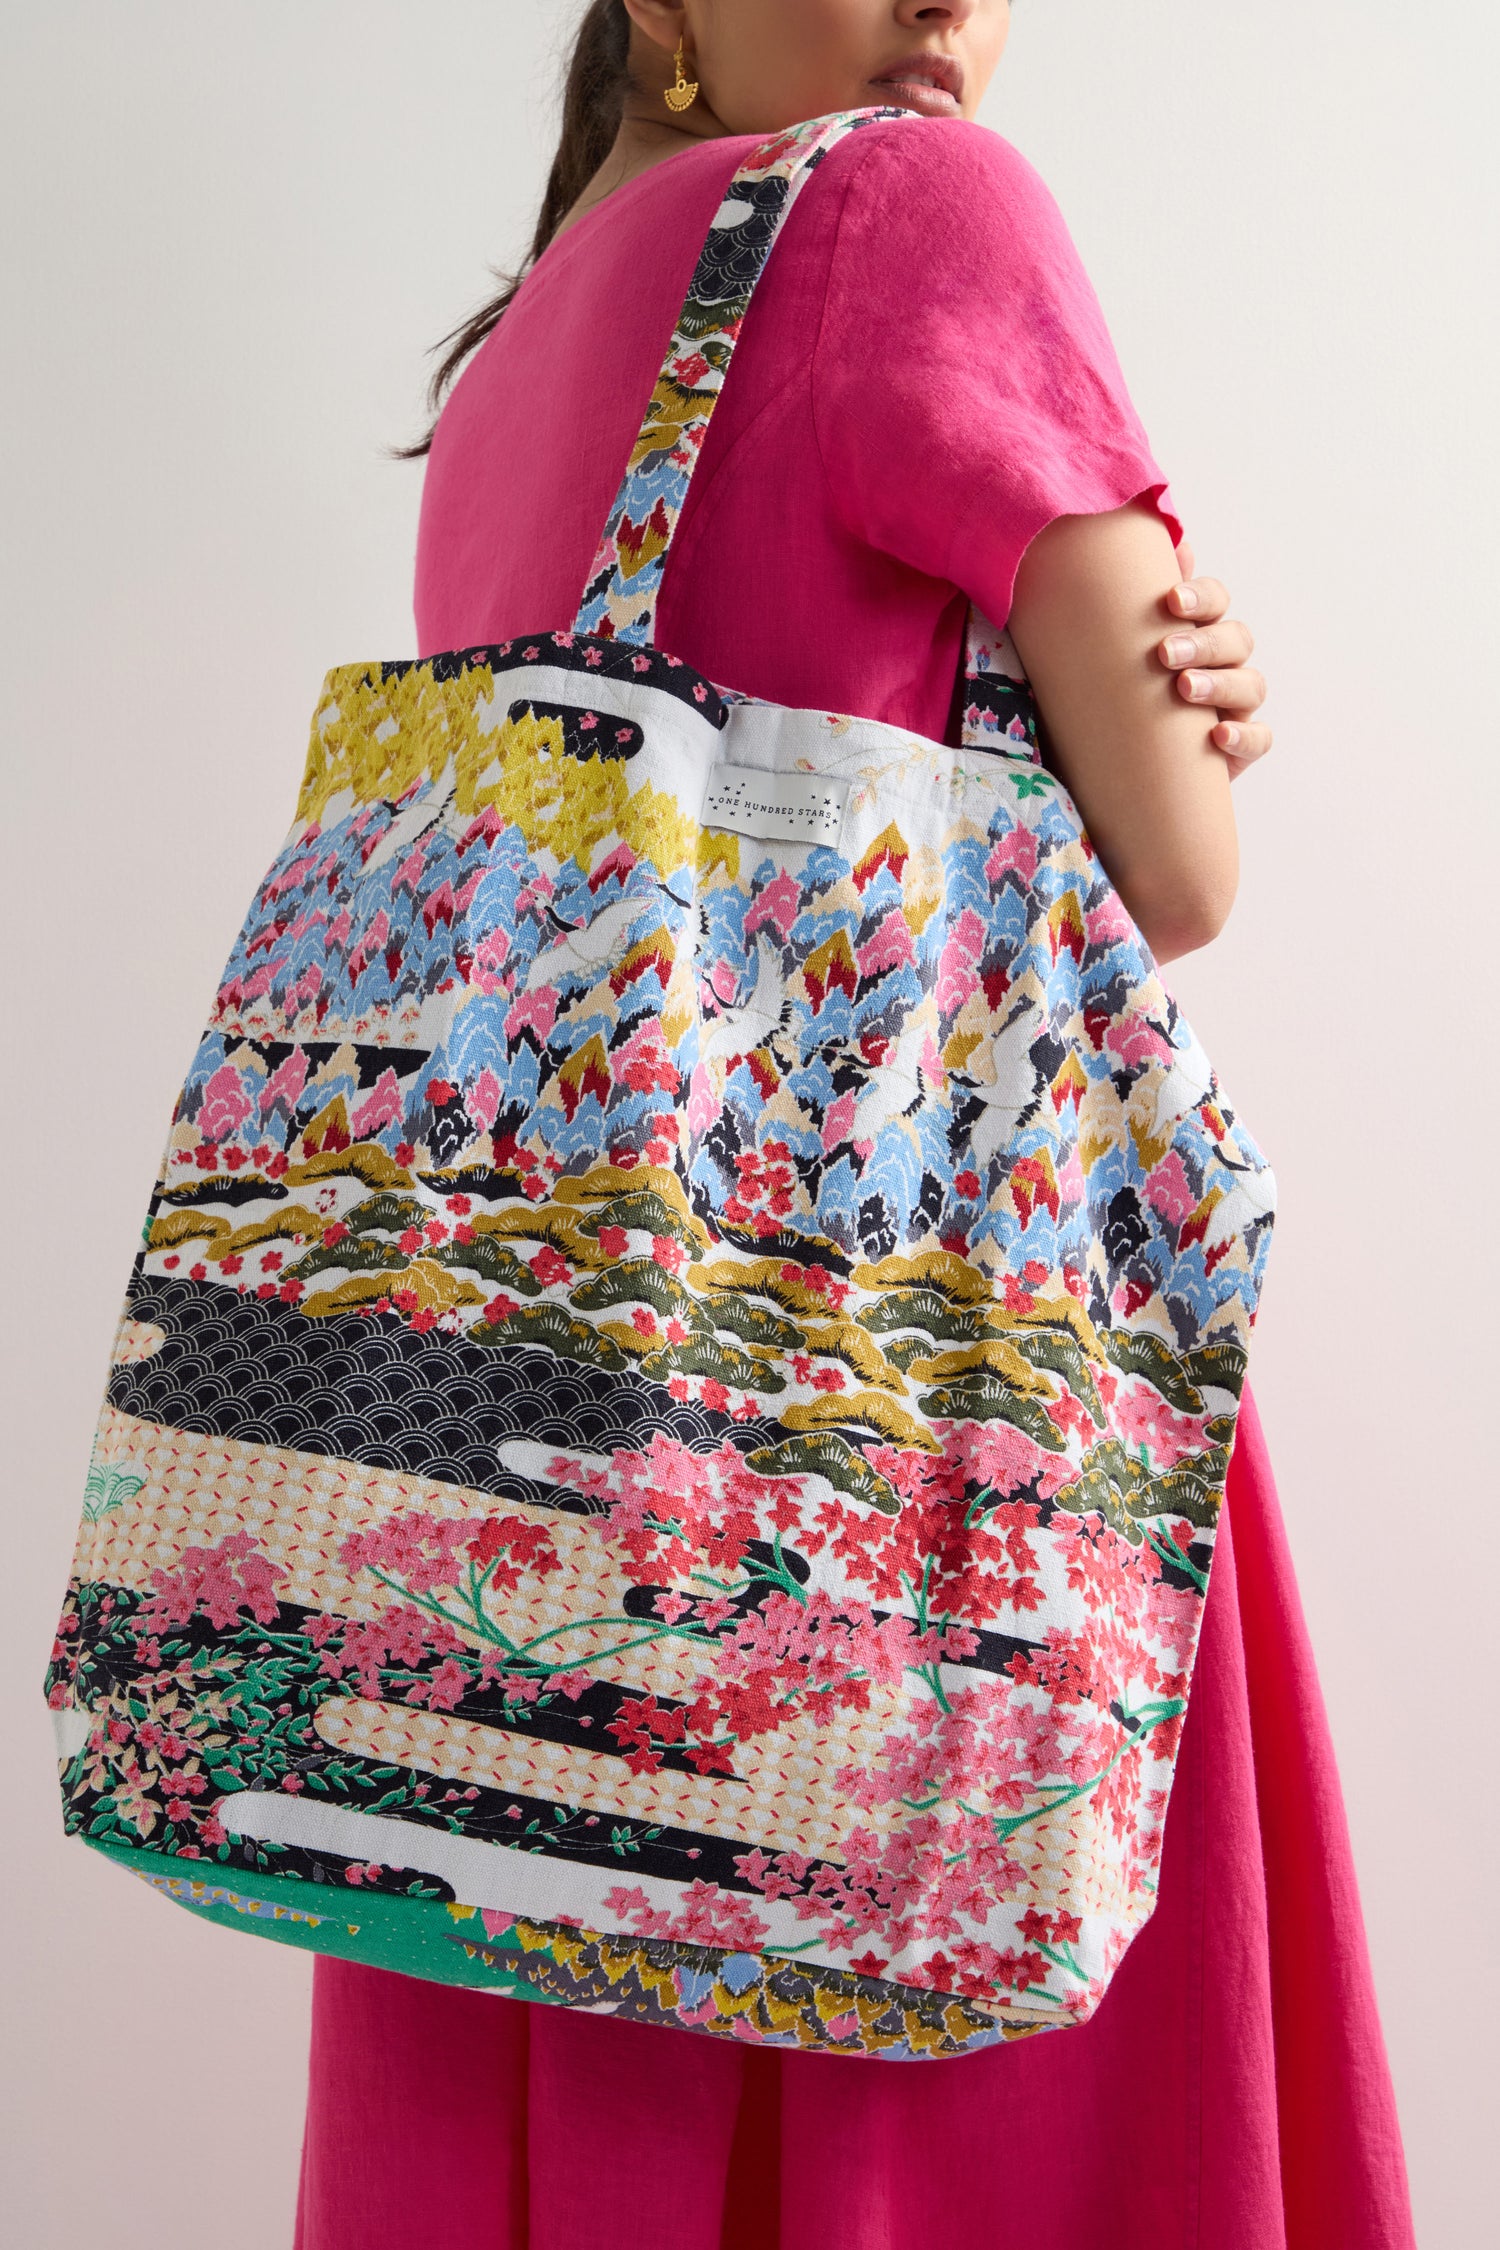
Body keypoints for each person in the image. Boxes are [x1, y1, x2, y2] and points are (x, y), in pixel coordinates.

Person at [293, 6, 1416, 2246]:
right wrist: (1168, 644)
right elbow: (1174, 871)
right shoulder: (913, 206)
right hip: (908, 1446)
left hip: (523, 1487)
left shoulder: (523, 347)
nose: (948, 6)